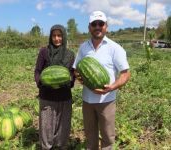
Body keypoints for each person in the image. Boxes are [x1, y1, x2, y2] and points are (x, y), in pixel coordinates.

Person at [73, 11, 130, 150]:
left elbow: (125, 73)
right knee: (90, 136)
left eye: (101, 24)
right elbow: (76, 69)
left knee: (107, 137)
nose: (97, 27)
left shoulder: (115, 48)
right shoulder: (83, 47)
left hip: (107, 101)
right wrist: (81, 79)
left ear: (106, 26)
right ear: (89, 27)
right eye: (94, 24)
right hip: (87, 100)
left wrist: (112, 87)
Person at [34, 24, 75, 150]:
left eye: (59, 36)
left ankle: (61, 147)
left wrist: (68, 82)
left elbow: (72, 75)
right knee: (46, 129)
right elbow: (37, 71)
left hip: (64, 97)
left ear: (64, 37)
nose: (57, 39)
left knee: (63, 128)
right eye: (54, 36)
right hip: (47, 96)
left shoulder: (70, 54)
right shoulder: (44, 52)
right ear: (50, 37)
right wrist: (42, 83)